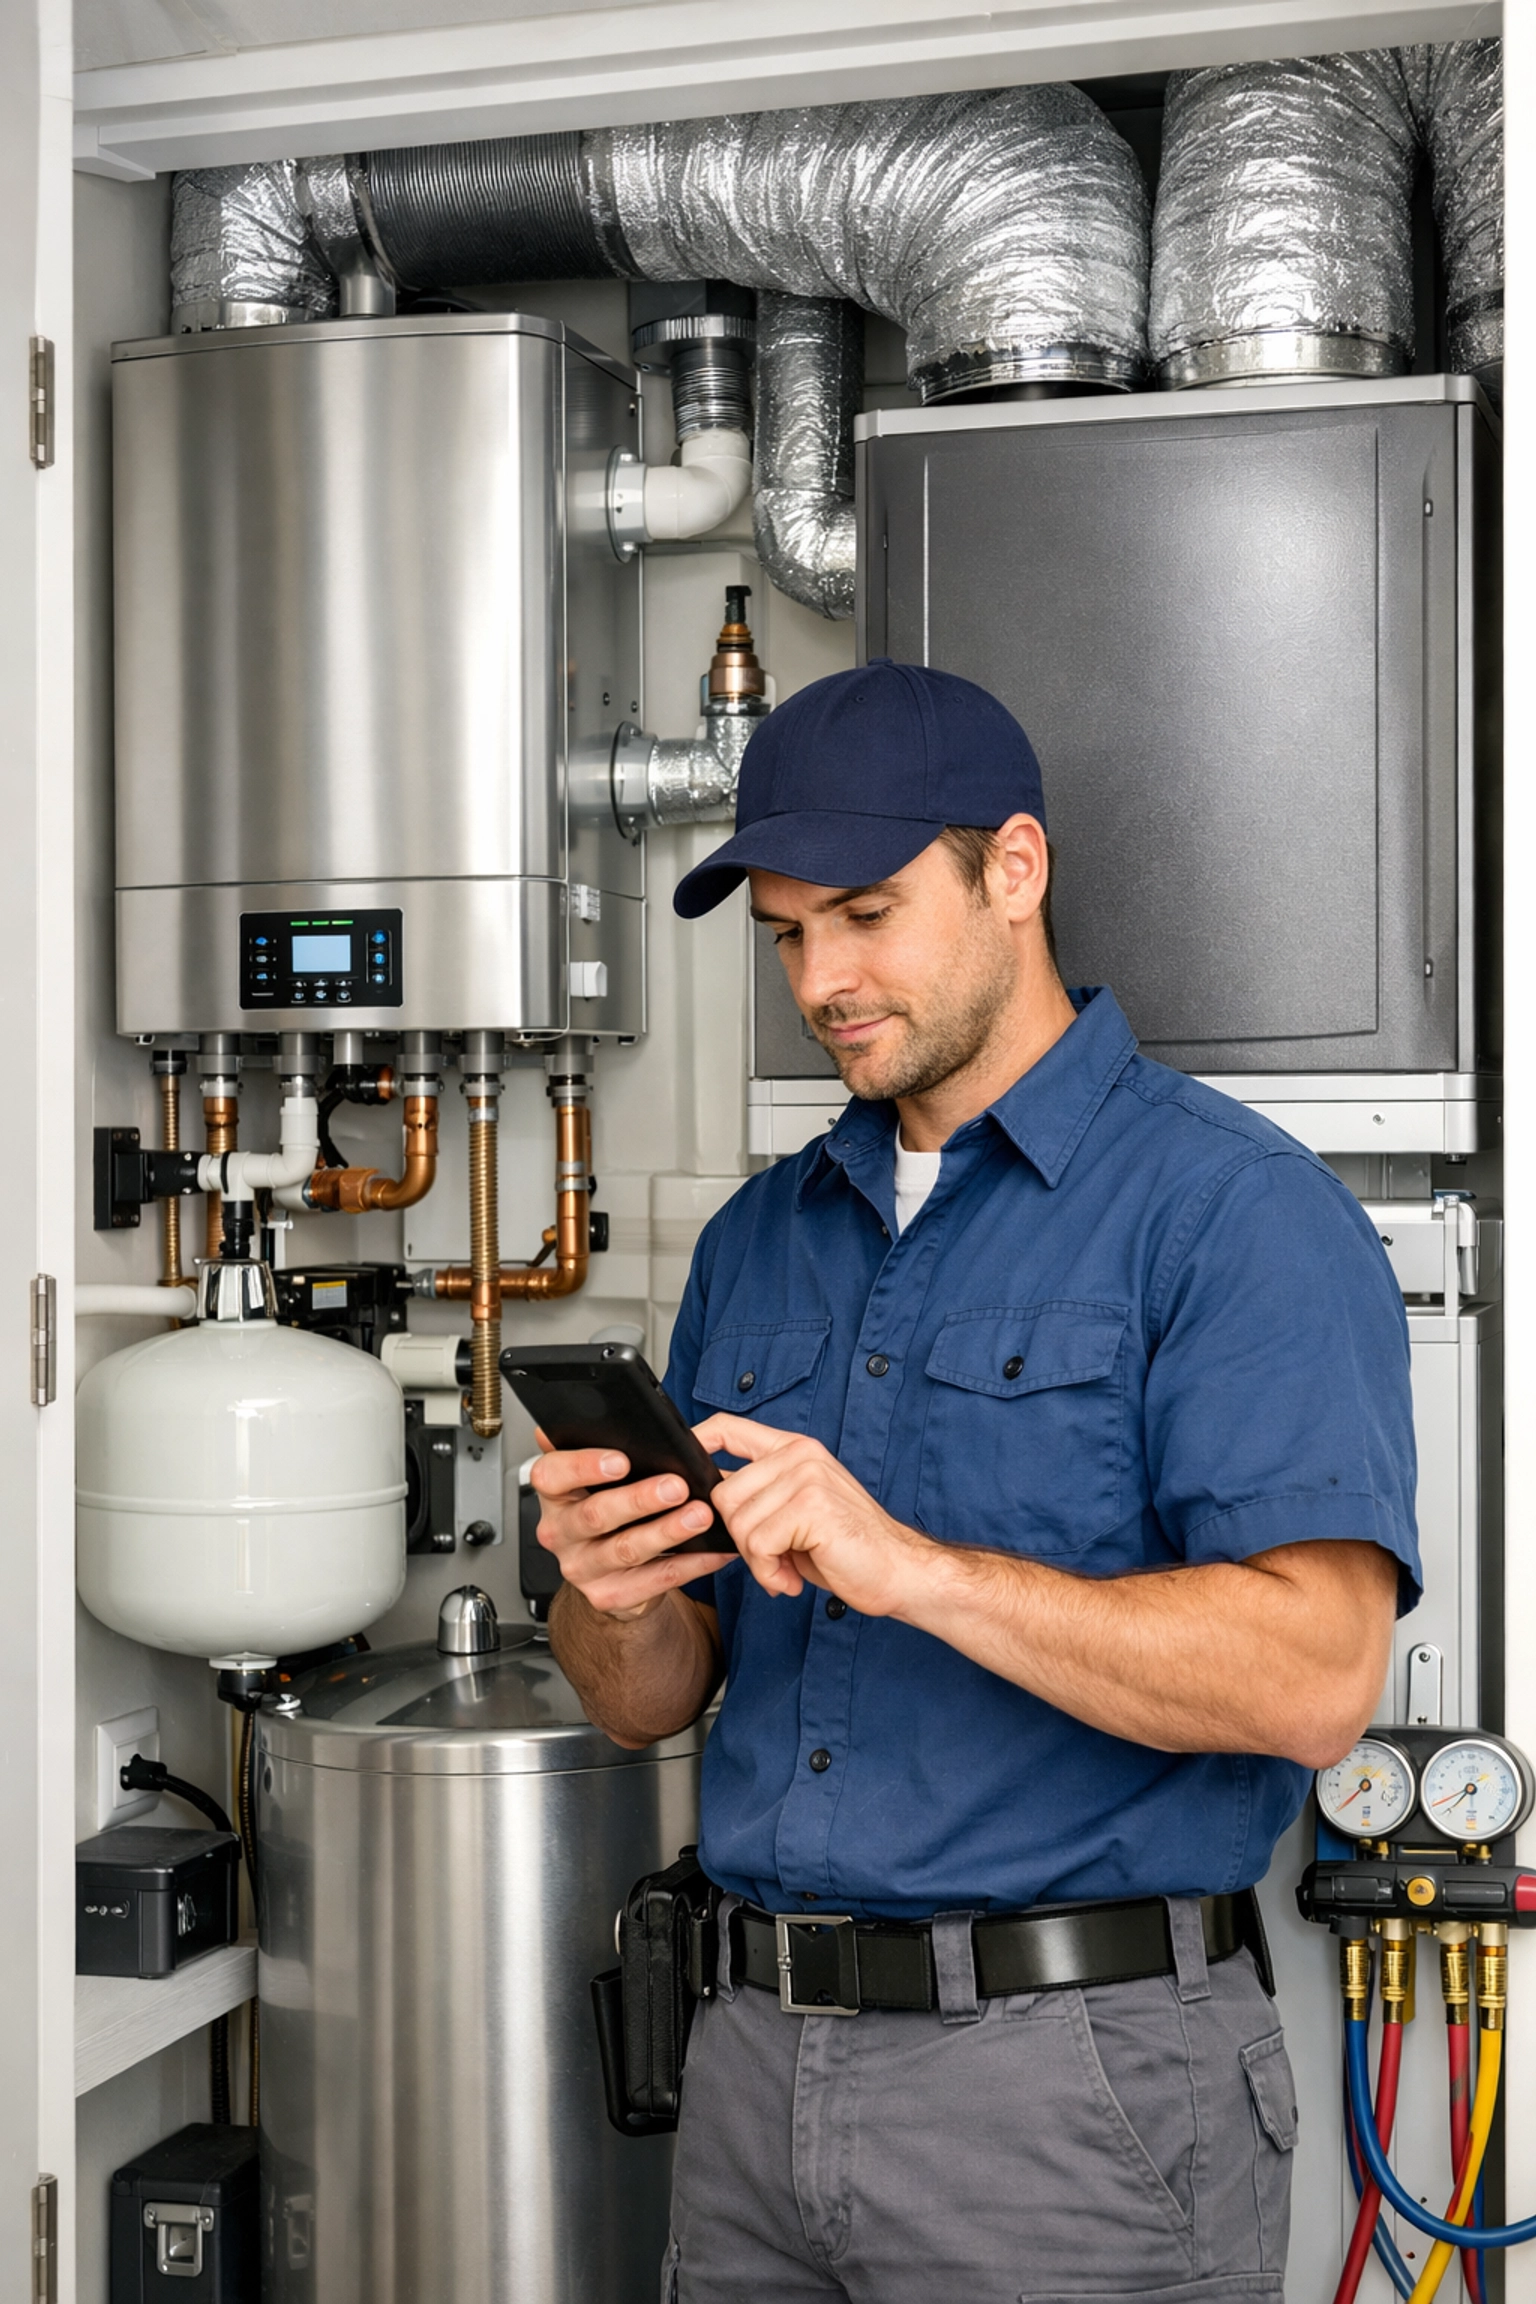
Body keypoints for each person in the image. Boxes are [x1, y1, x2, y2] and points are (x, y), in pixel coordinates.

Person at [536, 659, 1419, 2303]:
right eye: (791, 934)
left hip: (1069, 2103)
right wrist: (612, 1590)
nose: (823, 979)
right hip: (746, 2080)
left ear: (1014, 870)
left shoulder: (1231, 1217)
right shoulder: (758, 1240)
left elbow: (1314, 1681)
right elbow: (647, 1703)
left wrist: (913, 1565)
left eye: (865, 914)